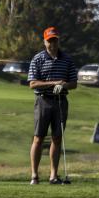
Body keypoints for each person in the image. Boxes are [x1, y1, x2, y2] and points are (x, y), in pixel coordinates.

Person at [27, 26, 78, 185]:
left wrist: (63, 86)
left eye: (55, 40)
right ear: (44, 41)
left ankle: (53, 176)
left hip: (61, 102)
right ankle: (34, 175)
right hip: (43, 101)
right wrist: (54, 83)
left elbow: (74, 83)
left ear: (58, 40)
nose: (53, 43)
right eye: (50, 41)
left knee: (57, 138)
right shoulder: (38, 59)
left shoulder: (67, 59)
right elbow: (33, 84)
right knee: (38, 138)